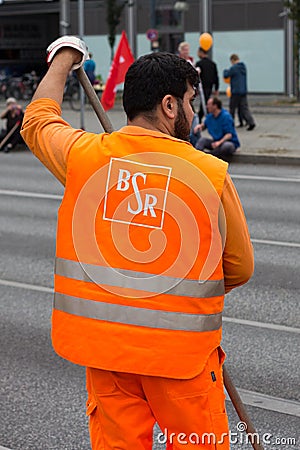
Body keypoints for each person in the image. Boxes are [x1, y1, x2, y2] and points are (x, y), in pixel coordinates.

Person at [21, 36, 254, 449]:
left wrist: (64, 58)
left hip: (107, 356)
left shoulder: (86, 157)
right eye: (190, 101)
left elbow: (38, 121)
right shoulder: (209, 174)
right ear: (169, 106)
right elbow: (238, 267)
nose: (193, 112)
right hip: (181, 358)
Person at [223, 53, 256, 130]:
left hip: (235, 91)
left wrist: (225, 70)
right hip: (243, 91)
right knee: (243, 108)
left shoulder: (234, 68)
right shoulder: (243, 67)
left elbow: (226, 75)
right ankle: (250, 122)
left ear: (232, 60)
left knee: (232, 108)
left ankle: (230, 124)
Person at [195, 47, 219, 122]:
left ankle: (200, 119)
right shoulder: (213, 64)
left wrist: (196, 87)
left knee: (204, 104)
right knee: (205, 103)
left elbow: (196, 77)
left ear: (201, 53)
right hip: (210, 86)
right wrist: (216, 88)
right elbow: (216, 77)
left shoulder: (199, 64)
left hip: (203, 87)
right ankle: (208, 119)